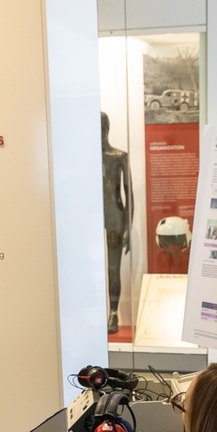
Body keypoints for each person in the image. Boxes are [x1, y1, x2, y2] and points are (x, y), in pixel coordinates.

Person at [101, 112, 132, 335]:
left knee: (113, 268)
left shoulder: (118, 156)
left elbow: (129, 194)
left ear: (107, 129)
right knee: (90, 267)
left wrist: (129, 228)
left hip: (114, 217)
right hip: (91, 217)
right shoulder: (84, 157)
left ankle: (113, 312)